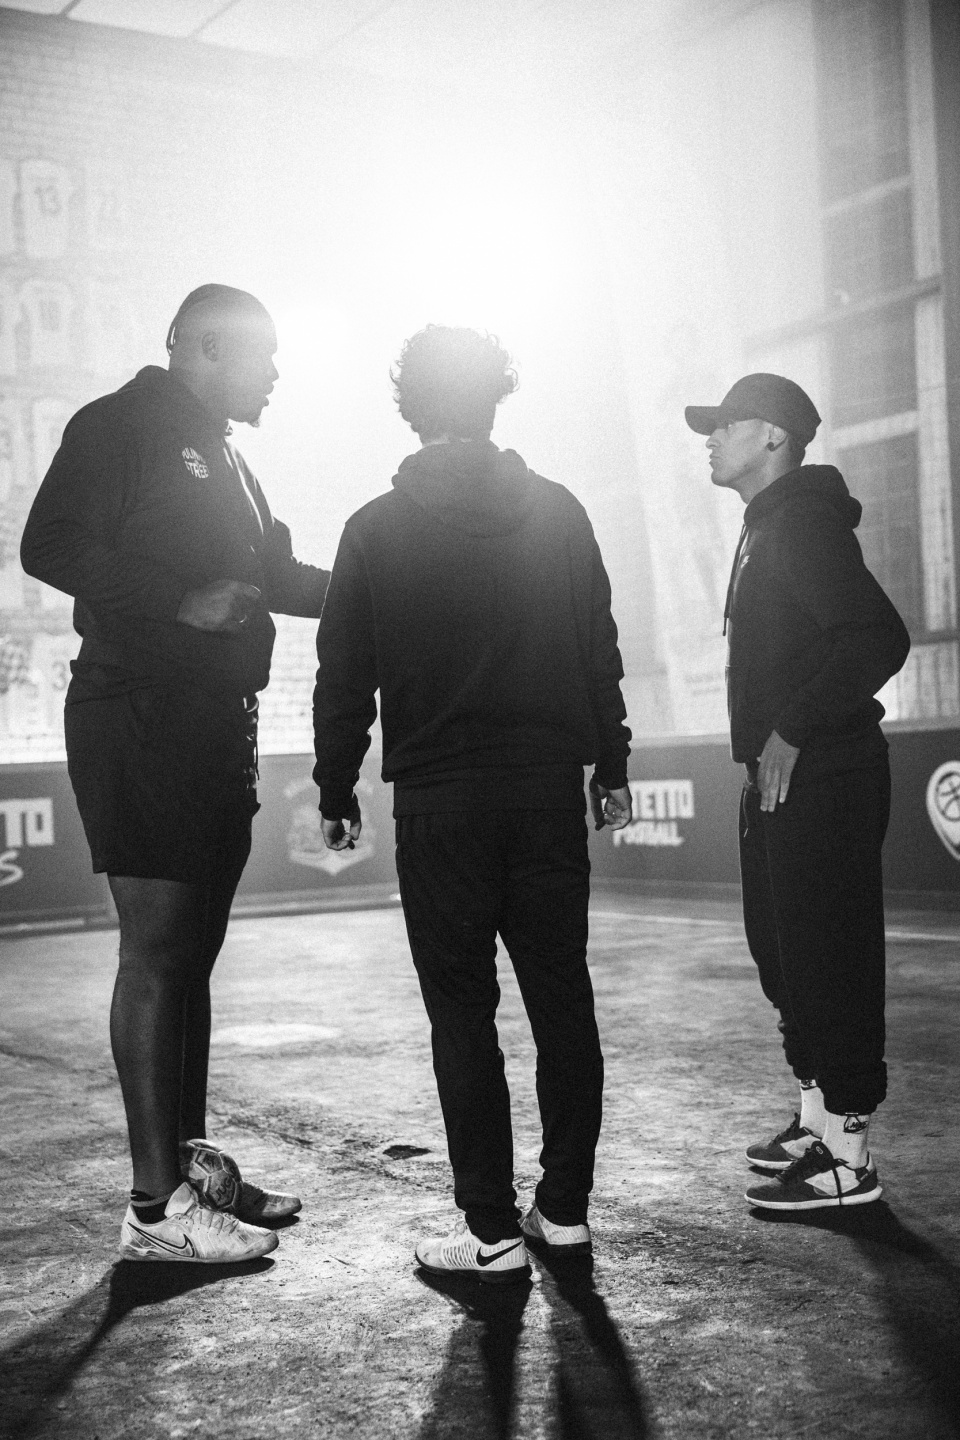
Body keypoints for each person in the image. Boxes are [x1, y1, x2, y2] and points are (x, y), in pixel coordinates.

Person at [313, 325, 632, 1282]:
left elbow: (343, 678)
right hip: (543, 794)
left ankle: (489, 1232)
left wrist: (336, 785)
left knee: (462, 1015)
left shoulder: (375, 528)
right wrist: (611, 765)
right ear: (497, 396)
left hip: (442, 804)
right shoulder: (560, 512)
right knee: (562, 997)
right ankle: (563, 1212)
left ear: (410, 406)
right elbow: (598, 649)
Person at [20, 284, 330, 1262]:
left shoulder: (231, 459)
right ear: (204, 347)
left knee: (189, 957)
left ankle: (191, 1175)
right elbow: (46, 543)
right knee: (156, 953)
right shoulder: (119, 424)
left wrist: (386, 584)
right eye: (262, 355)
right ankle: (155, 1209)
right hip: (137, 712)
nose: (275, 374)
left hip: (212, 724)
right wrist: (177, 599)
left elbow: (282, 578)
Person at [684, 373, 910, 1211]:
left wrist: (793, 728)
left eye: (726, 424)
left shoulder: (804, 523)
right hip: (783, 778)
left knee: (830, 956)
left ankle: (849, 1157)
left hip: (825, 773)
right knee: (783, 954)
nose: (711, 439)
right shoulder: (767, 525)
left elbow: (878, 637)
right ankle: (817, 1119)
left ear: (773, 436)